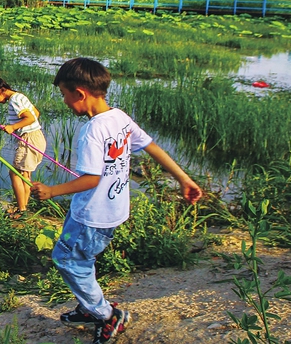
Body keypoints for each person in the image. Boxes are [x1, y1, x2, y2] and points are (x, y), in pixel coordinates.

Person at [31, 58, 202, 344]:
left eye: (64, 94)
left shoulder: (91, 131)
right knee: (82, 259)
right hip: (111, 211)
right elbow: (152, 147)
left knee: (67, 260)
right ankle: (89, 306)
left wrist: (52, 191)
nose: (64, 101)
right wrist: (184, 178)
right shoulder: (119, 118)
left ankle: (107, 314)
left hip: (91, 214)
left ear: (80, 93)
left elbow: (92, 179)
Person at [0, 77, 46, 218]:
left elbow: (30, 118)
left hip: (29, 138)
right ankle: (22, 207)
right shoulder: (20, 96)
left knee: (15, 173)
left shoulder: (14, 100)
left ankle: (22, 210)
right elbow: (36, 113)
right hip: (36, 136)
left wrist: (13, 127)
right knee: (24, 175)